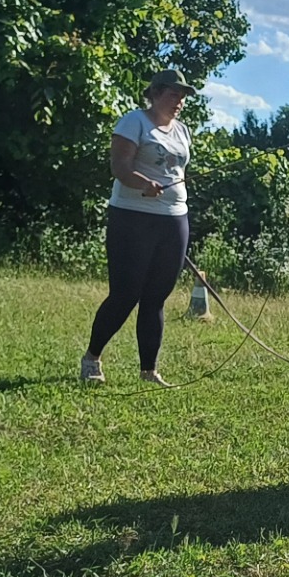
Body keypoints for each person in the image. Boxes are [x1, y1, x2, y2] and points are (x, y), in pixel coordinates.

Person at [81, 69, 196, 384]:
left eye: (183, 96)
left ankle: (149, 371)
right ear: (156, 93)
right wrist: (143, 183)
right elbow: (119, 166)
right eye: (174, 94)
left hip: (174, 218)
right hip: (132, 216)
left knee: (156, 297)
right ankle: (92, 359)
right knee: (125, 293)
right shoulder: (134, 122)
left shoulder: (183, 131)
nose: (180, 101)